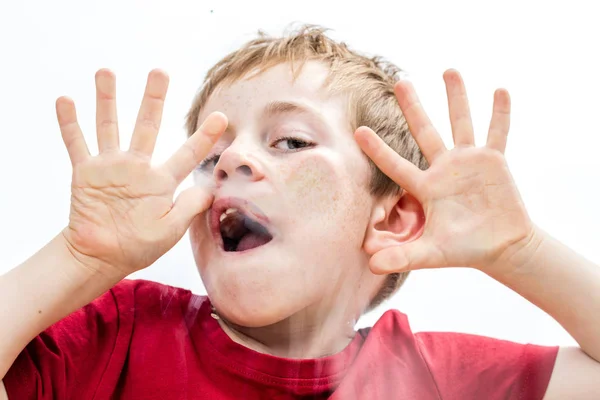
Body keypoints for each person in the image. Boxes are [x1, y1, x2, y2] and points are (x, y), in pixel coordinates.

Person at [1, 25, 599, 399]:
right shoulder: (116, 337)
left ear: (390, 219)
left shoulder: (439, 376)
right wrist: (78, 259)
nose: (233, 159)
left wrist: (521, 253)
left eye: (289, 141)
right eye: (212, 155)